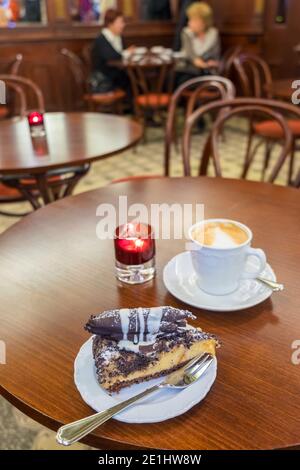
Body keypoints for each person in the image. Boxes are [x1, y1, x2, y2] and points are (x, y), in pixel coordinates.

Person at [90, 8, 134, 93]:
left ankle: (134, 104)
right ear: (110, 24)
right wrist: (127, 52)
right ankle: (132, 105)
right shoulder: (102, 39)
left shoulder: (118, 37)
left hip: (116, 74)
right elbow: (112, 57)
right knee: (133, 81)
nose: (123, 25)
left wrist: (126, 52)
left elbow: (120, 53)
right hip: (105, 79)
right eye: (121, 22)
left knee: (136, 79)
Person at [176, 2, 220, 85]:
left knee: (214, 82)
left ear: (203, 22)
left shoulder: (213, 34)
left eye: (193, 20)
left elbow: (216, 56)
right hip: (188, 70)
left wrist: (212, 63)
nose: (189, 23)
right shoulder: (186, 33)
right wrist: (203, 64)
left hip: (208, 72)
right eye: (189, 19)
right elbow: (192, 57)